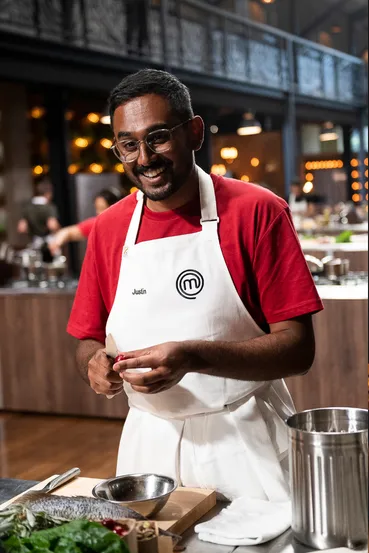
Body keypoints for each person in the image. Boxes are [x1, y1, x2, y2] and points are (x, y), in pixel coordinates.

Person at [66, 69, 322, 502]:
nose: (145, 158)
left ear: (195, 132)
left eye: (158, 137)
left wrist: (194, 357)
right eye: (129, 145)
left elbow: (299, 350)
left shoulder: (258, 211)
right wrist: (93, 364)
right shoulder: (109, 229)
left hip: (245, 440)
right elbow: (87, 339)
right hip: (148, 446)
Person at [49, 189, 122, 255]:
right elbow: (67, 232)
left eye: (102, 208)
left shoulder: (123, 226)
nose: (98, 212)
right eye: (97, 208)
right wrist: (57, 243)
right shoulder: (95, 224)